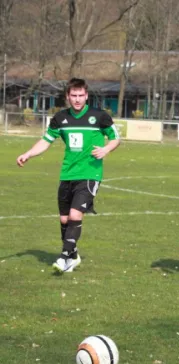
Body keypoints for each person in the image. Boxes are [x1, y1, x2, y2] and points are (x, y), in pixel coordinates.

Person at [17, 78, 121, 273]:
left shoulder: (100, 116)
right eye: (73, 95)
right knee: (65, 220)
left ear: (87, 95)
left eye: (81, 95)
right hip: (67, 174)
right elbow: (45, 141)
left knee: (75, 214)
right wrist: (28, 154)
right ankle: (73, 256)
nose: (77, 99)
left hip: (90, 173)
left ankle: (64, 257)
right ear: (67, 96)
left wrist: (106, 149)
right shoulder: (60, 118)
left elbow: (116, 138)